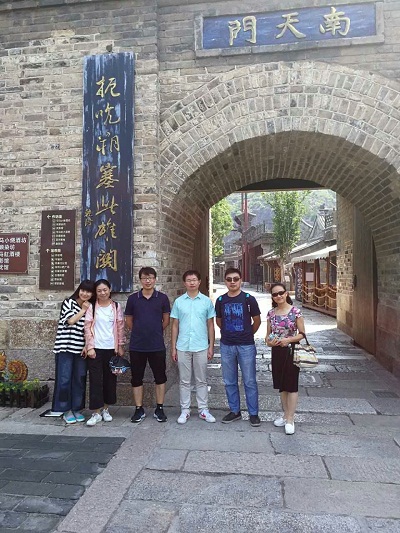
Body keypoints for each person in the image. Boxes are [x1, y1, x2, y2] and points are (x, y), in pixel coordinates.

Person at [215, 268, 261, 427]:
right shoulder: (220, 300)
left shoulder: (249, 299)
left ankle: (253, 413)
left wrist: (248, 333)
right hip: (227, 345)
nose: (232, 282)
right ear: (225, 281)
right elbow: (219, 321)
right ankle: (234, 411)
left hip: (246, 345)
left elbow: (257, 320)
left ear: (240, 280)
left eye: (235, 279)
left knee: (249, 380)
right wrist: (229, 333)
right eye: (229, 279)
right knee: (229, 380)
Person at [125, 267, 171, 423]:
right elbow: (129, 321)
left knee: (160, 377)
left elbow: (166, 320)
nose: (148, 281)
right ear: (140, 280)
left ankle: (160, 408)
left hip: (157, 345)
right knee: (136, 378)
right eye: (144, 278)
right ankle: (139, 408)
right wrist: (140, 331)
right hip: (137, 345)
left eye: (150, 277)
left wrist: (155, 330)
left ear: (155, 279)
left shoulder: (162, 298)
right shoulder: (133, 299)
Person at [171, 270, 216, 424]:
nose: (192, 282)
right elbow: (175, 325)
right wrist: (173, 347)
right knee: (184, 380)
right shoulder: (179, 302)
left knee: (201, 380)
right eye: (189, 280)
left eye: (194, 280)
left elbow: (210, 325)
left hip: (201, 345)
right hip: (183, 345)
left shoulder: (206, 301)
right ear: (184, 283)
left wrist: (211, 346)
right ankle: (185, 410)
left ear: (199, 282)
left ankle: (203, 409)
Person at [51, 280, 95, 424]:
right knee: (64, 379)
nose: (85, 294)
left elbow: (89, 328)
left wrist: (87, 345)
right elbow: (70, 321)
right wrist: (82, 310)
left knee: (79, 379)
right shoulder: (69, 302)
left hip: (80, 350)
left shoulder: (91, 307)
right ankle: (65, 410)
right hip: (65, 348)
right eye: (83, 290)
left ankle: (76, 408)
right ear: (79, 290)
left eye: (88, 292)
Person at [265, 283, 305, 435]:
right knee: (281, 385)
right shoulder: (271, 313)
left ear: (286, 293)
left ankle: (290, 419)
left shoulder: (295, 312)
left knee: (291, 385)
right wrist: (270, 342)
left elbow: (302, 333)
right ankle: (285, 415)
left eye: (281, 293)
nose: (278, 296)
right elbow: (267, 336)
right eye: (275, 294)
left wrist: (288, 340)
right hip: (277, 351)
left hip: (291, 351)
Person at [84, 279, 125, 427]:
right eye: (99, 291)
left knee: (110, 380)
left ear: (110, 290)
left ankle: (106, 409)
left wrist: (120, 345)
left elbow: (120, 327)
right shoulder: (92, 307)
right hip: (96, 349)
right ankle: (96, 412)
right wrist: (89, 347)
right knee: (95, 380)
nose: (102, 293)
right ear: (96, 292)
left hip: (111, 349)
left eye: (105, 290)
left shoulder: (116, 306)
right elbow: (87, 327)